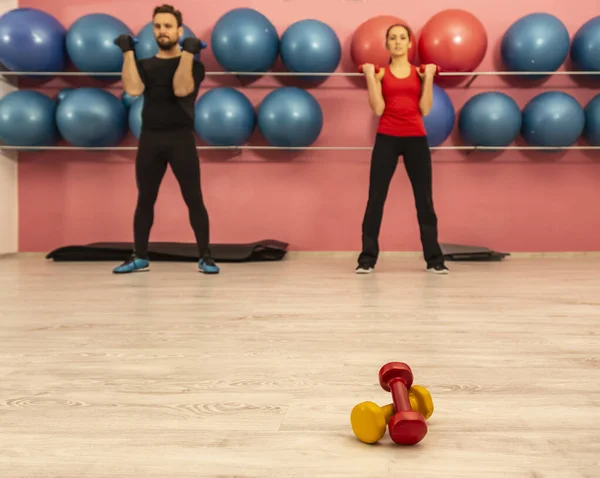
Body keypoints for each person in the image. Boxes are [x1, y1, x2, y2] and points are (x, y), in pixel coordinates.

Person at [112, 4, 219, 274]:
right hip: (150, 139)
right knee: (145, 199)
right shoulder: (144, 65)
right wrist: (127, 52)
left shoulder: (194, 66)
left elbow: (181, 88)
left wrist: (188, 52)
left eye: (168, 26)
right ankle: (140, 256)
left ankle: (205, 256)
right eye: (157, 26)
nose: (162, 31)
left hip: (180, 139)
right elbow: (134, 89)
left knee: (193, 198)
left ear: (179, 31)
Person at [356, 24, 449, 275]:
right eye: (392, 38)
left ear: (410, 44)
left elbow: (425, 109)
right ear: (387, 45)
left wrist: (428, 77)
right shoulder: (380, 74)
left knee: (425, 202)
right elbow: (377, 109)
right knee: (375, 199)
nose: (397, 42)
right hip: (387, 138)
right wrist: (369, 77)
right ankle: (366, 259)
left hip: (416, 139)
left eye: (402, 38)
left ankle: (434, 260)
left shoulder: (419, 73)